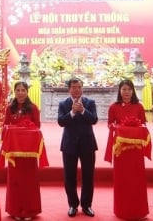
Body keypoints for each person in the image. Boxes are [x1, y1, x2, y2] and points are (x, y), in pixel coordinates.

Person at [106, 79, 148, 220]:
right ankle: (122, 211)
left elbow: (143, 125)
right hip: (121, 150)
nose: (126, 92)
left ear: (133, 91)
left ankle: (139, 211)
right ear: (119, 91)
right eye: (124, 89)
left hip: (136, 150)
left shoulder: (139, 107)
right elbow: (110, 125)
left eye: (129, 89)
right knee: (123, 180)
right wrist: (117, 128)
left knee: (137, 179)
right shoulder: (113, 107)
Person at [57, 77, 98, 218]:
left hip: (87, 144)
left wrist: (83, 111)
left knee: (88, 176)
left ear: (82, 88)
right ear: (69, 89)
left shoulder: (89, 102)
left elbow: (94, 120)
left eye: (79, 87)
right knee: (70, 176)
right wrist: (72, 113)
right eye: (73, 87)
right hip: (69, 145)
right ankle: (73, 205)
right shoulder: (63, 104)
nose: (76, 90)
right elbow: (61, 122)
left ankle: (87, 205)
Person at [3, 81, 42, 221]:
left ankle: (29, 211)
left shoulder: (33, 108)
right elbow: (5, 126)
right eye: (18, 90)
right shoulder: (9, 108)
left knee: (28, 181)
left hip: (28, 153)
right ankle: (15, 210)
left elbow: (37, 128)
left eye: (23, 90)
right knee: (15, 181)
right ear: (15, 92)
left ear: (27, 92)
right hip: (14, 153)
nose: (20, 93)